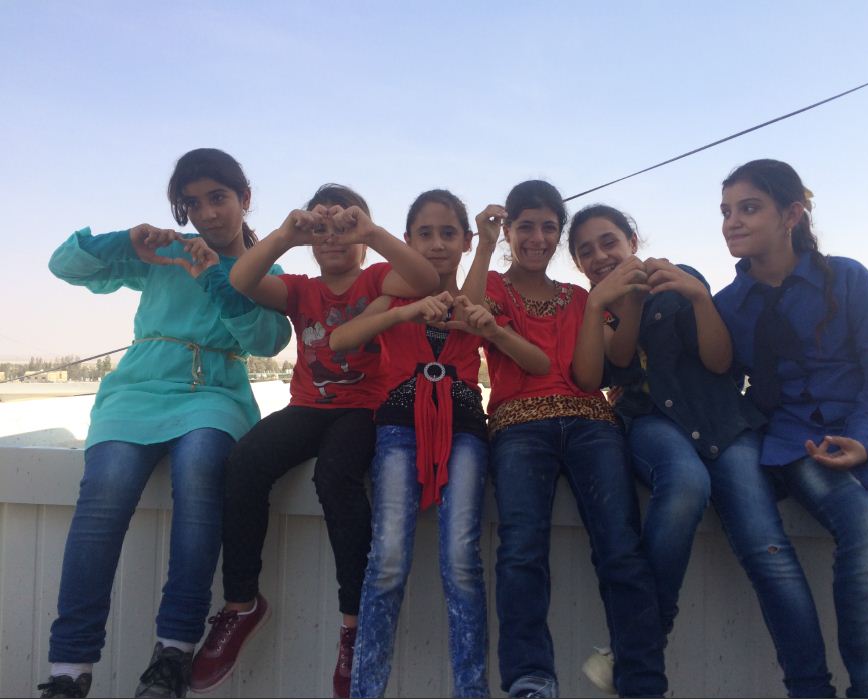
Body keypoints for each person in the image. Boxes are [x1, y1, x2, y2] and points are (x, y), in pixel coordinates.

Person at [39, 148, 292, 699]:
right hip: (138, 390)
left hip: (213, 393)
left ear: (244, 199)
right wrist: (124, 243)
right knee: (102, 495)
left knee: (201, 469)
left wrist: (215, 279)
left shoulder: (261, 266)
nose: (206, 214)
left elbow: (269, 341)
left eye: (218, 198)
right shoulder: (166, 252)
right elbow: (64, 265)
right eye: (192, 203)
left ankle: (174, 651)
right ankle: (68, 667)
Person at [568, 204, 836, 697]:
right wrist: (624, 300)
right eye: (585, 252)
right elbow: (619, 361)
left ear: (631, 240)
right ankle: (645, 643)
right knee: (686, 483)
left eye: (609, 242)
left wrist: (697, 297)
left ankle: (811, 687)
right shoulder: (597, 308)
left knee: (768, 548)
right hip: (653, 422)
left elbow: (720, 362)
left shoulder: (681, 279)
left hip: (722, 421)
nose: (600, 256)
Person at [188, 184, 439, 698]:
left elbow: (424, 277)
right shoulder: (301, 289)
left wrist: (369, 230)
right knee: (244, 463)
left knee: (336, 475)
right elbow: (239, 281)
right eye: (321, 231)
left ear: (364, 240)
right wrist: (286, 234)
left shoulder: (376, 278)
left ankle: (355, 622)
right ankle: (241, 603)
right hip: (307, 407)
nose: (333, 239)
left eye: (346, 231)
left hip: (366, 409)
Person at [714, 158, 868, 697]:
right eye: (725, 212)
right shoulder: (727, 307)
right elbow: (714, 386)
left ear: (791, 214)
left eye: (748, 208)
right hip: (799, 445)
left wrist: (867, 437)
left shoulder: (849, 279)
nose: (731, 223)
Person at [328, 190, 549, 697]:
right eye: (424, 234)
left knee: (461, 561)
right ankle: (366, 690)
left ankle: (471, 691)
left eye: (449, 233)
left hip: (466, 429)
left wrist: (490, 246)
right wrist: (402, 316)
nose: (436, 244)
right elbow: (341, 341)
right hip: (399, 429)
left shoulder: (478, 298)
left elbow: (472, 307)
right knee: (386, 559)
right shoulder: (395, 295)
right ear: (406, 241)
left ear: (465, 240)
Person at [483, 180, 667, 698]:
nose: (536, 237)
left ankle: (642, 681)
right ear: (509, 233)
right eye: (525, 227)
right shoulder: (496, 287)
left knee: (620, 546)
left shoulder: (580, 296)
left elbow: (611, 363)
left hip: (591, 421)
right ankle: (529, 677)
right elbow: (469, 311)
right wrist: (481, 242)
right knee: (521, 547)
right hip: (518, 423)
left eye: (548, 227)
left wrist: (626, 300)